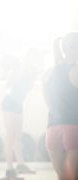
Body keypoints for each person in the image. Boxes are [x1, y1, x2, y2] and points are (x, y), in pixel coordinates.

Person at [0, 50, 41, 179]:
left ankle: (21, 165)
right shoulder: (18, 70)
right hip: (9, 103)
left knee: (17, 137)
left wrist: (21, 65)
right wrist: (16, 67)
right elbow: (8, 85)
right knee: (10, 136)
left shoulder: (31, 71)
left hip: (18, 104)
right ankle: (9, 169)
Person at [43, 32, 78, 180]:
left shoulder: (49, 72)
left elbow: (49, 103)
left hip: (52, 130)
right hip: (73, 129)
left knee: (62, 176)